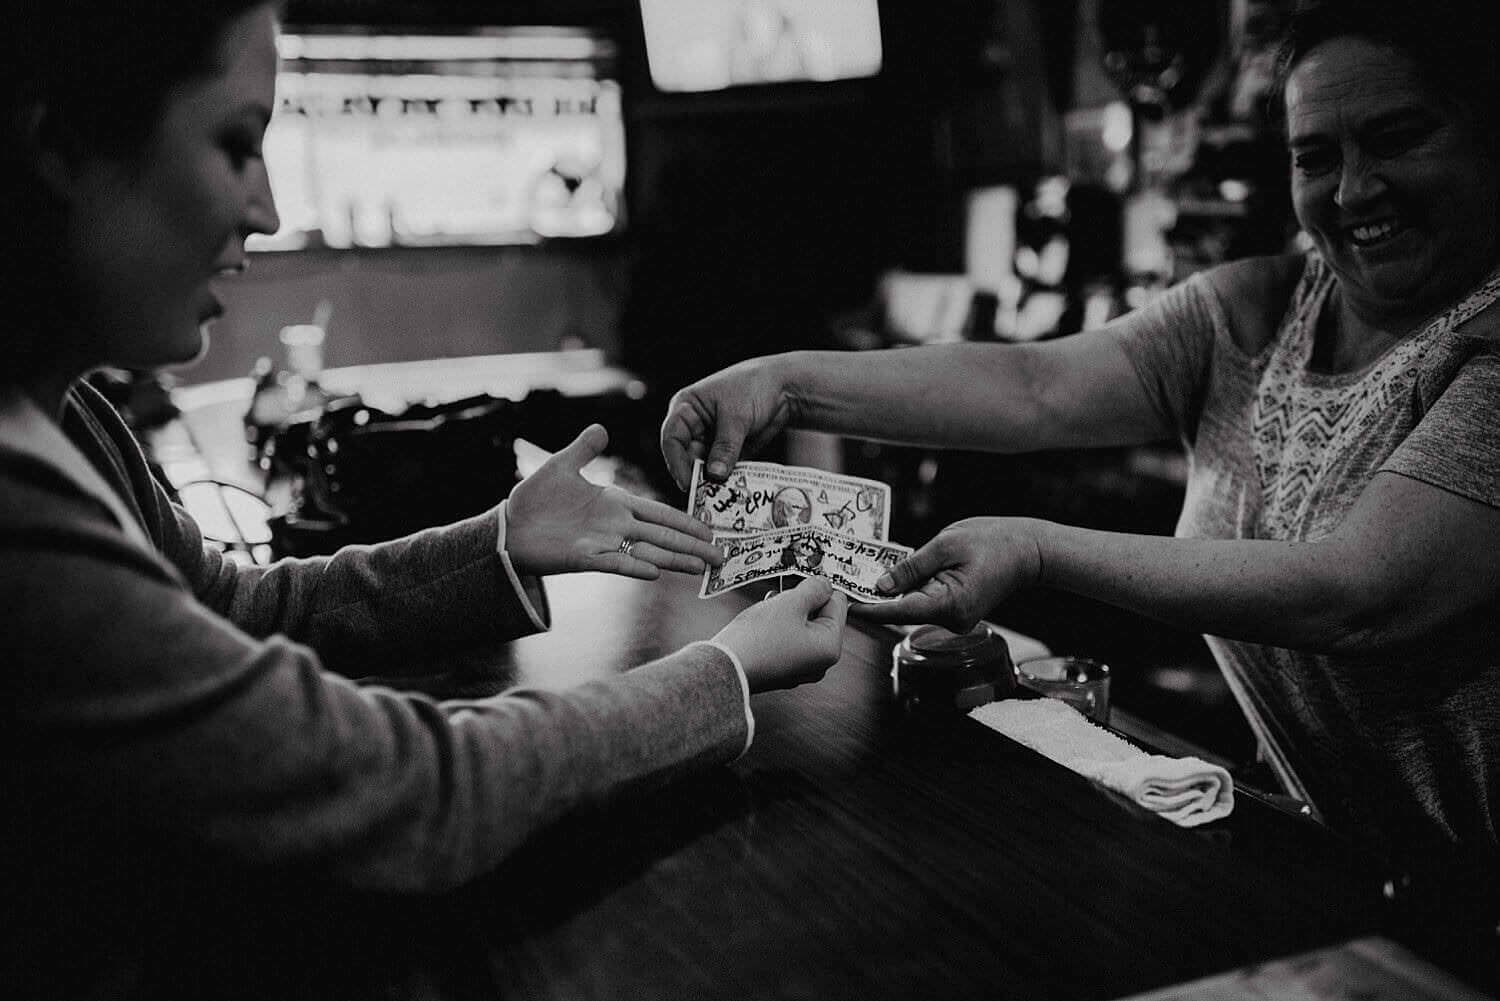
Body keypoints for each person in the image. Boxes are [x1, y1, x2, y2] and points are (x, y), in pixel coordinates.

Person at [0, 0, 849, 940]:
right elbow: (418, 797)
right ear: (59, 144)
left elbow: (233, 610)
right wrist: (727, 671)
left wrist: (499, 544)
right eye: (239, 144)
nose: (270, 208)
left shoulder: (71, 413)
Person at [662, 0, 1500, 869]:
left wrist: (1035, 549)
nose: (1353, 190)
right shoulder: (1265, 309)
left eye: (1399, 138)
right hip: (1354, 860)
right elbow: (1038, 386)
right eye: (1315, 156)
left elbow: (1361, 591)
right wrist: (785, 384)